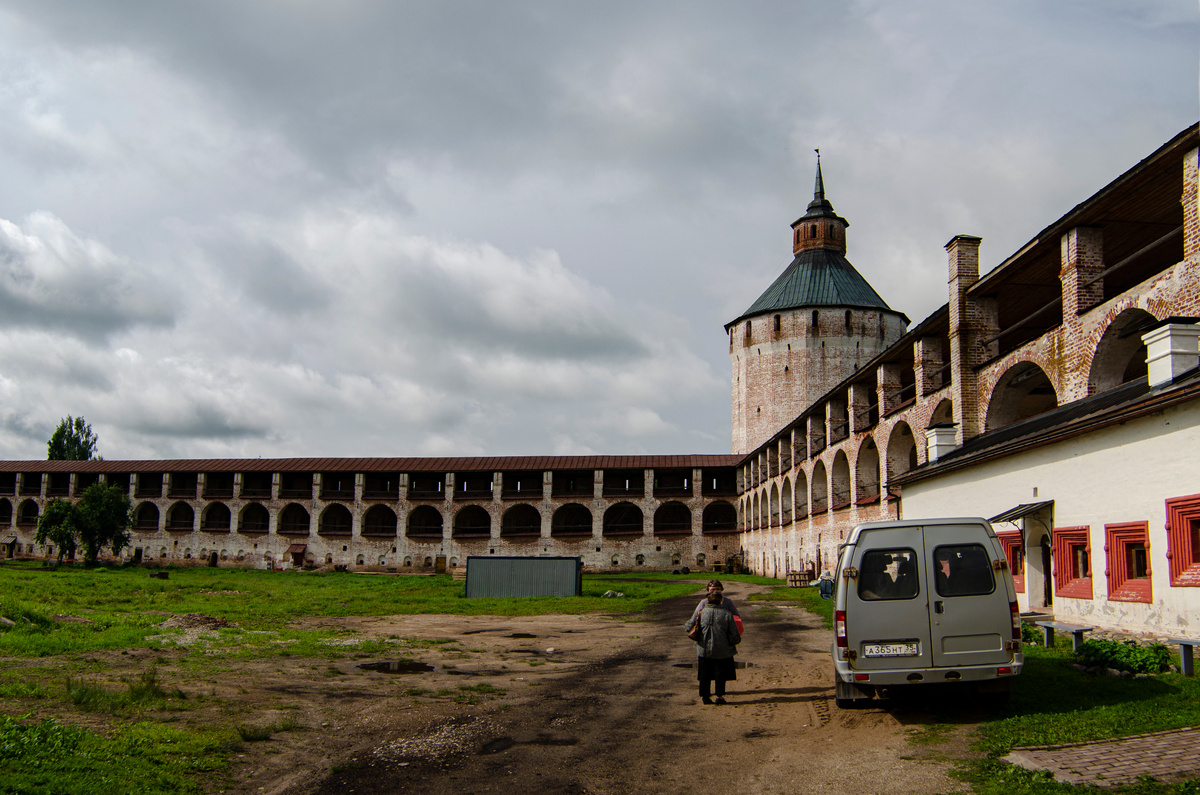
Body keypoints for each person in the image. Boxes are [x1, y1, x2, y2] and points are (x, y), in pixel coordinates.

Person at [684, 589, 741, 704]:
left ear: (708, 601)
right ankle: (719, 697)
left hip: (704, 648)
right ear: (720, 601)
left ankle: (705, 697)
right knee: (720, 674)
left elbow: (688, 626)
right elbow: (734, 634)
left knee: (704, 673)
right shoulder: (727, 614)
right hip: (723, 650)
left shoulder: (701, 612)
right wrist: (733, 642)